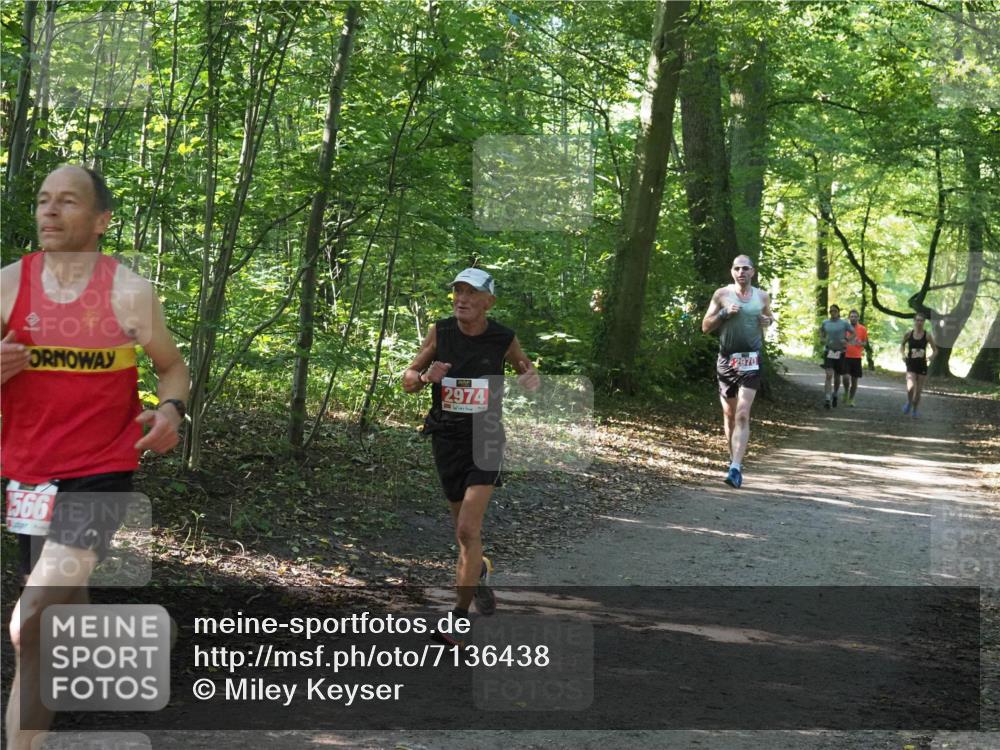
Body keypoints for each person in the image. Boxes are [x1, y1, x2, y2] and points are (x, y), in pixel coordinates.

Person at [1, 165, 189, 750]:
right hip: (27, 475)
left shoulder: (127, 291)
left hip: (102, 472)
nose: (50, 212)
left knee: (27, 622)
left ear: (102, 220)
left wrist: (170, 412)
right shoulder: (8, 285)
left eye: (68, 202)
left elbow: (172, 368)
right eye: (42, 201)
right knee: (50, 628)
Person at [402, 268, 539, 644]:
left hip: (487, 438)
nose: (461, 299)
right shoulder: (441, 332)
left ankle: (458, 621)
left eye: (471, 293)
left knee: (467, 529)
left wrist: (530, 379)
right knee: (464, 537)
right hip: (446, 437)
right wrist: (426, 377)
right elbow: (408, 379)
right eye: (458, 292)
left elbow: (526, 371)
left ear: (488, 302)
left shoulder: (503, 338)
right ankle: (478, 571)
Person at [701, 255, 774, 489]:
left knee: (743, 413)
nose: (741, 272)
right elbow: (705, 326)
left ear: (753, 272)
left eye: (746, 268)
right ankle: (733, 459)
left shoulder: (762, 296)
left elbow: (770, 318)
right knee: (730, 416)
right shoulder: (721, 295)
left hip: (752, 361)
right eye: (737, 268)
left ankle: (735, 467)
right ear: (732, 272)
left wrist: (767, 321)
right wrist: (723, 314)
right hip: (726, 361)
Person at [900, 312, 937, 417]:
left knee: (919, 390)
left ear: (924, 322)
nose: (919, 322)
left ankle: (915, 410)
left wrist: (930, 357)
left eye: (921, 320)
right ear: (914, 321)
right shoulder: (909, 334)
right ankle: (909, 402)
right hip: (911, 363)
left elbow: (935, 350)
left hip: (922, 364)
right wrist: (903, 354)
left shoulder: (927, 335)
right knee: (910, 386)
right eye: (917, 320)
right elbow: (902, 345)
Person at [819, 304, 854, 409]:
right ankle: (827, 398)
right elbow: (821, 331)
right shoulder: (825, 322)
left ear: (838, 312)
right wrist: (822, 338)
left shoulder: (844, 323)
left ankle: (835, 394)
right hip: (829, 351)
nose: (832, 313)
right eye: (831, 311)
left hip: (840, 352)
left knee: (837, 376)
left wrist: (847, 340)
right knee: (829, 374)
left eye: (834, 311)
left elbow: (853, 333)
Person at [843, 309, 869, 407]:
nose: (853, 318)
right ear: (849, 318)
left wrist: (859, 343)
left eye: (855, 316)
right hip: (845, 356)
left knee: (854, 380)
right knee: (845, 378)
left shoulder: (863, 329)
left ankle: (851, 399)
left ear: (858, 318)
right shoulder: (845, 328)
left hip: (857, 357)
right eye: (851, 316)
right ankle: (846, 391)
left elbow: (865, 343)